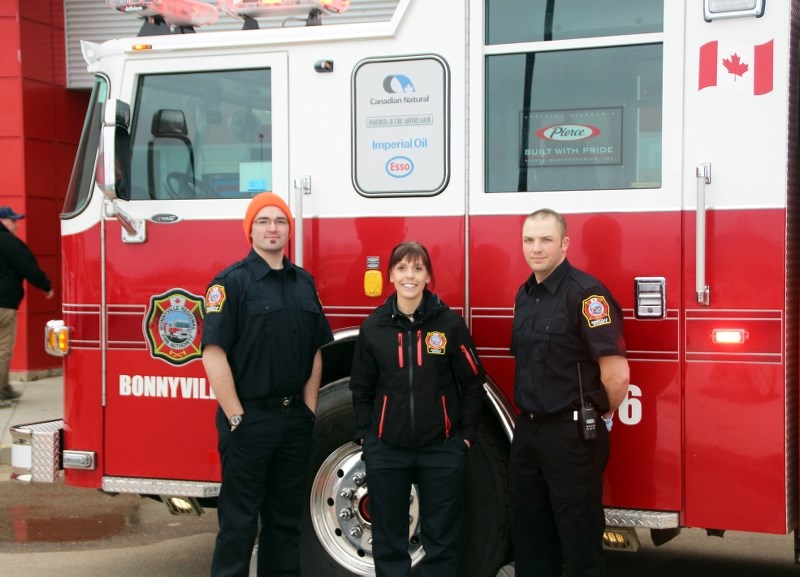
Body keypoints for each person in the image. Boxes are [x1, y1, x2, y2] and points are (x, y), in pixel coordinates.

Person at [201, 192, 333, 577]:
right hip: (249, 421)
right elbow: (213, 354)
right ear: (250, 230)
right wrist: (237, 417)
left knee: (285, 524)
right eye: (263, 221)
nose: (272, 227)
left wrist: (308, 410)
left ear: (289, 230)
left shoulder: (304, 283)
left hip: (293, 422)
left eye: (280, 221)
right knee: (238, 525)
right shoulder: (230, 284)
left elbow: (316, 351)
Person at [350, 241, 487, 577]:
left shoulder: (449, 325)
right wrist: (368, 438)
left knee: (442, 543)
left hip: (440, 452)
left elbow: (473, 383)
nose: (409, 275)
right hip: (388, 453)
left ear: (428, 277)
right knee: (389, 542)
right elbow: (361, 387)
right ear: (391, 276)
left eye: (417, 268)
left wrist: (465, 439)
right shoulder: (374, 328)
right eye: (401, 268)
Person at [509, 209, 630, 577]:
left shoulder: (587, 295)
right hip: (528, 433)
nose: (536, 248)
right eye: (529, 240)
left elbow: (616, 373)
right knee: (530, 541)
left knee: (579, 545)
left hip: (571, 436)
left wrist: (601, 412)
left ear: (564, 244)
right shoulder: (525, 294)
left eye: (546, 240)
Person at [0, 206, 54, 408]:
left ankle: (4, 388)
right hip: (3, 305)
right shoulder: (8, 242)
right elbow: (27, 265)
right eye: (13, 220)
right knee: (2, 349)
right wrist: (45, 286)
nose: (17, 224)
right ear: (2, 221)